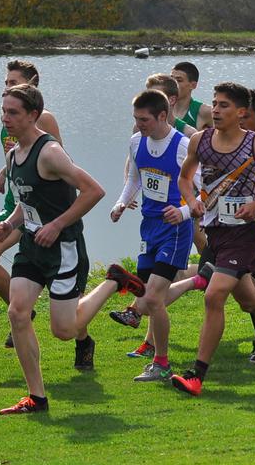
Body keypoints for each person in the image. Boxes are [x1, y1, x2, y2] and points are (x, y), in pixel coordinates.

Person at [170, 82, 255, 397]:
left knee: (213, 295)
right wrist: (191, 201)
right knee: (248, 300)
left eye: (223, 106)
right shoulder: (200, 140)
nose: (216, 110)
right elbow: (184, 177)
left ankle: (196, 375)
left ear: (241, 113)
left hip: (244, 233)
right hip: (215, 231)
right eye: (215, 104)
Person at [0, 84, 105, 414]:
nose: (6, 118)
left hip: (63, 248)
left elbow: (93, 191)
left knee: (64, 330)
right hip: (31, 245)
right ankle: (37, 397)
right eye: (3, 111)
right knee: (17, 313)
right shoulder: (14, 154)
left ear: (33, 115)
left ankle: (113, 281)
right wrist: (10, 225)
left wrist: (56, 225)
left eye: (13, 112)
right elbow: (25, 202)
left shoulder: (50, 152)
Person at [78, 89, 195, 382]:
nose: (139, 124)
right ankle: (195, 280)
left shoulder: (182, 146)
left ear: (163, 116)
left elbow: (203, 190)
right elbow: (135, 179)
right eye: (136, 119)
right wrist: (120, 203)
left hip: (176, 230)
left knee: (153, 298)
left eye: (144, 119)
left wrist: (182, 212)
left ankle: (161, 362)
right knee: (147, 292)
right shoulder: (135, 142)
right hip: (149, 227)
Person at [0, 60, 62, 349]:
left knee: (59, 287)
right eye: (5, 83)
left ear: (32, 84)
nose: (7, 88)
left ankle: (81, 337)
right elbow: (18, 154)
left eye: (13, 83)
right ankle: (22, 310)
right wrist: (4, 171)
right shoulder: (8, 118)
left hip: (36, 206)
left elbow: (59, 163)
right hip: (12, 201)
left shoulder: (46, 119)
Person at [170, 62, 213, 131]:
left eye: (179, 80)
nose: (172, 84)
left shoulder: (205, 111)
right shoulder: (160, 109)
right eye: (171, 79)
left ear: (193, 85)